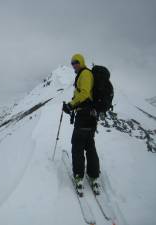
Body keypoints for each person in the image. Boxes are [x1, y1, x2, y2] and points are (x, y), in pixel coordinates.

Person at [62, 53, 100, 194]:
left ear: (82, 62)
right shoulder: (86, 75)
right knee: (89, 145)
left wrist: (71, 105)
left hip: (84, 115)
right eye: (72, 63)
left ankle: (79, 176)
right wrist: (73, 104)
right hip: (91, 115)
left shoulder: (84, 74)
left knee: (77, 146)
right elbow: (82, 94)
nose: (73, 65)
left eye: (76, 62)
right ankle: (94, 175)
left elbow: (84, 93)